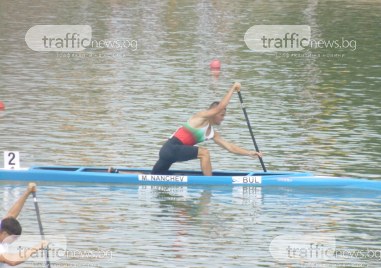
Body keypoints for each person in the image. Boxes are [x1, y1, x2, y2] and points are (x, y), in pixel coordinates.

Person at [152, 82, 263, 175]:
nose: (223, 118)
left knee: (153, 177)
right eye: (222, 115)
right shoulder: (201, 117)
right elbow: (220, 107)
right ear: (214, 113)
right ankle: (209, 183)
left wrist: (249, 153)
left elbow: (230, 147)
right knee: (204, 152)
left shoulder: (212, 133)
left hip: (171, 153)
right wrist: (233, 88)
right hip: (171, 148)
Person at [0, 183, 48, 266]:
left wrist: (28, 192)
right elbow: (12, 261)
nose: (15, 241)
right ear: (4, 234)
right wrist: (36, 248)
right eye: (13, 238)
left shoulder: (3, 226)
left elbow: (12, 214)